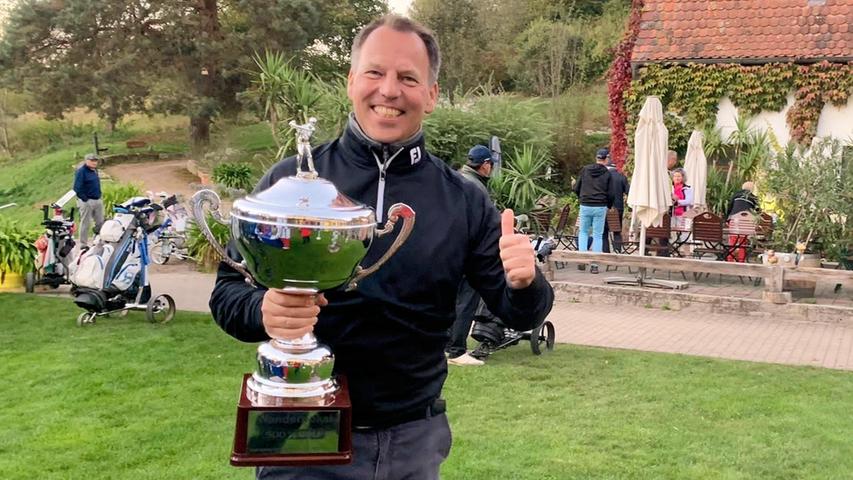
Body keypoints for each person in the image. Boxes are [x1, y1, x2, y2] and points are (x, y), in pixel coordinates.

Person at [209, 15, 554, 480]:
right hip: (301, 430)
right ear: (351, 81)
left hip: (412, 439)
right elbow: (228, 294)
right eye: (375, 72)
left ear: (430, 95)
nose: (389, 91)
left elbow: (520, 314)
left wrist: (526, 281)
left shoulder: (463, 199)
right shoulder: (291, 184)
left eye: (408, 78)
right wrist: (264, 311)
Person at [446, 145, 494, 366]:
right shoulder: (477, 188)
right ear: (485, 165)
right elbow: (480, 225)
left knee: (449, 300)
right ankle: (456, 350)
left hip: (448, 252)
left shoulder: (455, 179)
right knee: (466, 301)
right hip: (467, 254)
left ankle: (444, 347)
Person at [573, 148, 613, 274]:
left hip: (585, 205)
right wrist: (609, 205)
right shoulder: (607, 173)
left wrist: (582, 198)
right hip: (600, 206)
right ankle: (594, 265)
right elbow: (611, 193)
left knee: (583, 232)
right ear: (606, 159)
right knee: (597, 235)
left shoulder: (585, 170)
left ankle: (582, 260)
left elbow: (576, 187)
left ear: (596, 158)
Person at [73, 153, 104, 248]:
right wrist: (85, 199)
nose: (94, 163)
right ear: (86, 161)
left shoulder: (94, 171)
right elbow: (77, 187)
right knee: (85, 223)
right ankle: (83, 244)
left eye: (95, 161)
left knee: (100, 222)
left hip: (97, 199)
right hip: (87, 201)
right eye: (92, 161)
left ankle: (99, 240)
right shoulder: (81, 171)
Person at [726, 181, 760, 262]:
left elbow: (729, 207)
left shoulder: (736, 195)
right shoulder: (754, 198)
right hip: (747, 222)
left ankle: (730, 259)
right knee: (743, 241)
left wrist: (727, 219)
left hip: (735, 220)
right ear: (752, 189)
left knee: (733, 240)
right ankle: (741, 260)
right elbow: (758, 211)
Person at [604, 153, 629, 253]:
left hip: (605, 207)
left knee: (603, 232)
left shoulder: (603, 175)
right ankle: (618, 252)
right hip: (618, 207)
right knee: (617, 231)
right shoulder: (621, 176)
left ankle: (605, 253)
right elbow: (628, 192)